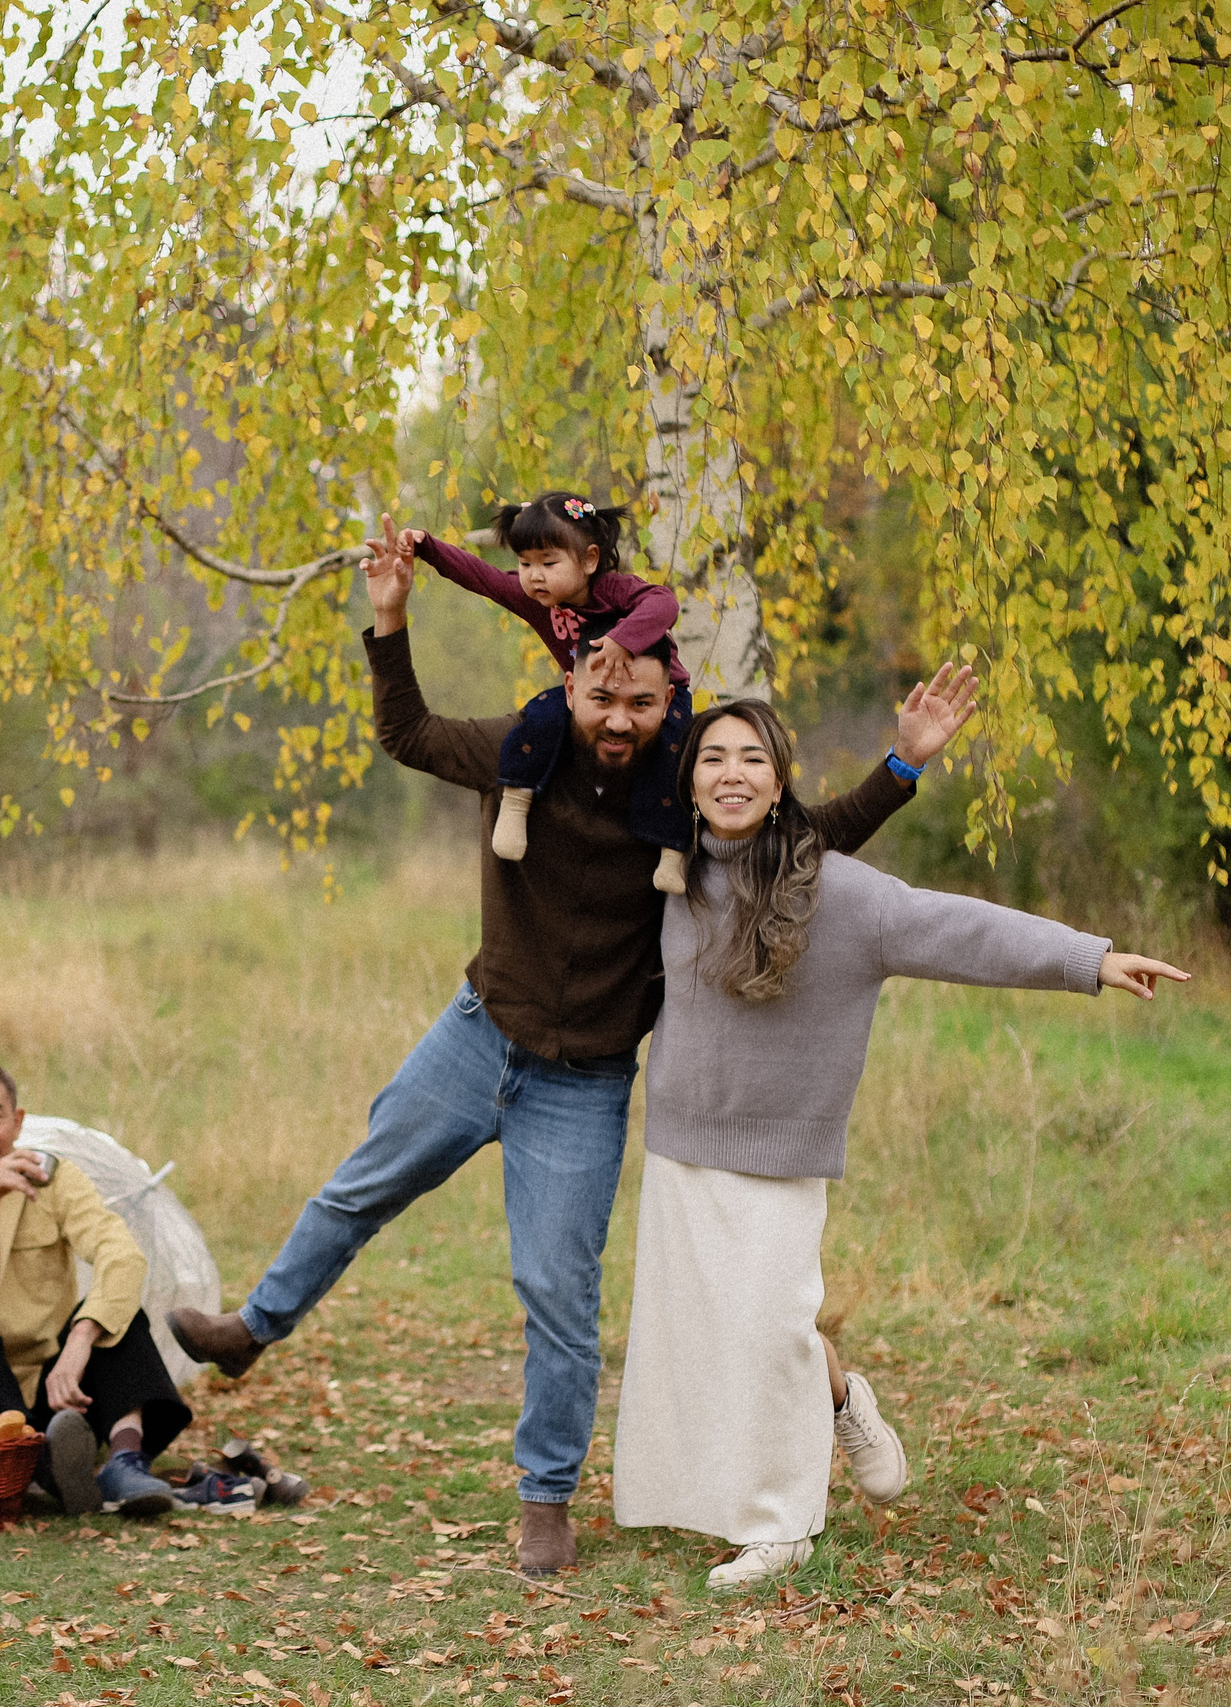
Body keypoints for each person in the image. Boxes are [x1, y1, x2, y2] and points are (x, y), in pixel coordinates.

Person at [172, 524, 978, 1575]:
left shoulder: (683, 796)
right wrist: (390, 619)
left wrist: (903, 764)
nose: (618, 717)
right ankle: (251, 1329)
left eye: (641, 702)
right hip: (476, 1034)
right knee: (353, 1191)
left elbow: (803, 845)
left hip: (583, 1083)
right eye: (602, 697)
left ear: (666, 702)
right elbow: (407, 732)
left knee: (557, 1295)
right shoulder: (524, 745)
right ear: (572, 685)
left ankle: (545, 1498)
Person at [614, 700, 1188, 1591]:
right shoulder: (669, 874)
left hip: (784, 1152)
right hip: (682, 1143)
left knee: (769, 1331)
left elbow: (959, 928)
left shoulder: (837, 892)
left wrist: (1087, 959)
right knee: (710, 1334)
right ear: (688, 781)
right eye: (712, 757)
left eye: (752, 758)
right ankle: (841, 1401)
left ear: (780, 781)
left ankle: (783, 1527)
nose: (731, 773)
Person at [0, 1058, 191, 1518]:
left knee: (114, 1314)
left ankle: (125, 1462)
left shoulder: (54, 1179)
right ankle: (43, 1464)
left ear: (18, 1122)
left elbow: (121, 1254)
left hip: (51, 1383)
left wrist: (82, 1337)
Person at [401, 493, 691, 886]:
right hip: (587, 696)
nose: (534, 576)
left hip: (658, 695)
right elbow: (480, 576)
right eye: (525, 564)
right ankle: (516, 801)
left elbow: (664, 603)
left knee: (674, 753)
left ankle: (672, 851)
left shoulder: (612, 590)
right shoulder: (536, 601)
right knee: (539, 716)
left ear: (589, 560)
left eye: (548, 563)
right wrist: (427, 548)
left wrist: (624, 639)